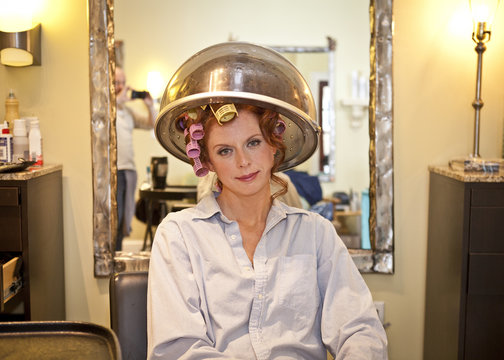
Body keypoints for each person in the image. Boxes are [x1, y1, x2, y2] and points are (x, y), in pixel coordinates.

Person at [147, 42, 387, 359]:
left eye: (254, 142)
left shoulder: (316, 234)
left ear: (274, 147)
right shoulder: (178, 236)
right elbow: (178, 350)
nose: (243, 162)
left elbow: (360, 330)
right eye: (225, 151)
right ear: (208, 162)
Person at [115, 66, 156, 251]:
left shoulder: (128, 111)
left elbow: (151, 124)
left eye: (123, 82)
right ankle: (113, 254)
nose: (120, 86)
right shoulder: (103, 108)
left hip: (128, 171)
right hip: (115, 171)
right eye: (116, 82)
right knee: (115, 219)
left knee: (124, 218)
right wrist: (116, 101)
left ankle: (118, 250)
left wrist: (150, 105)